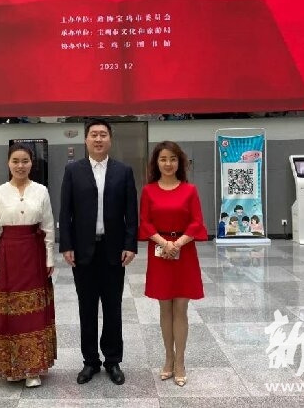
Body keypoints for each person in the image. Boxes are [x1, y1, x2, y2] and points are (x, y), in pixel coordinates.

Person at [59, 118, 138, 386]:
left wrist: (130, 244)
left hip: (113, 250)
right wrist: (66, 245)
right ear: (86, 140)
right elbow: (65, 211)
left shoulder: (123, 171)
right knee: (87, 307)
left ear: (110, 140)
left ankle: (113, 360)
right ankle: (90, 361)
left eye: (103, 134)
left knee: (113, 308)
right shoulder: (73, 171)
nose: (98, 139)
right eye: (94, 134)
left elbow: (131, 212)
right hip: (83, 251)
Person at [0, 143, 57, 388]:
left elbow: (48, 227)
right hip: (8, 255)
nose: (20, 166)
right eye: (15, 161)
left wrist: (49, 258)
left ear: (31, 164)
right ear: (8, 163)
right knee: (10, 310)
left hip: (34, 254)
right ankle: (11, 366)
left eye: (25, 161)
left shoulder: (41, 191)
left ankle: (33, 368)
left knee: (33, 311)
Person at [139, 141, 208, 387]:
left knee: (181, 308)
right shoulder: (148, 191)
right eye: (163, 159)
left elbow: (196, 222)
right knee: (164, 308)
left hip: (184, 252)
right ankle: (168, 357)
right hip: (159, 253)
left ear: (180, 162)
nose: (168, 164)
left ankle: (180, 361)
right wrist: (164, 243)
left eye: (173, 159)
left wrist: (177, 243)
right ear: (156, 163)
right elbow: (145, 222)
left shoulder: (190, 190)